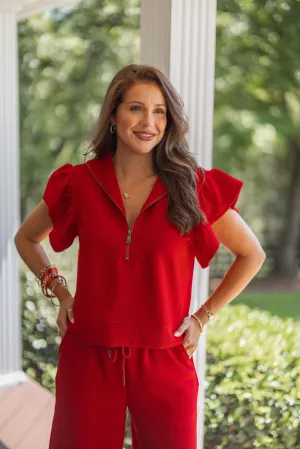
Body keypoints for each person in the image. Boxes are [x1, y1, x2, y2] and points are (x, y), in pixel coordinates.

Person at [14, 64, 266, 449]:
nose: (149, 121)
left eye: (159, 110)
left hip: (167, 358)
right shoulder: (78, 183)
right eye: (136, 108)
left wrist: (203, 316)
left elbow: (251, 254)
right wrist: (60, 291)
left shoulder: (193, 186)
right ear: (113, 116)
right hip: (89, 356)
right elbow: (27, 238)